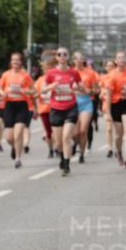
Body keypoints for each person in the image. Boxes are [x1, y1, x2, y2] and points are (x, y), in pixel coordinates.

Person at [44, 48, 84, 176]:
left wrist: (77, 89)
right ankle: (62, 157)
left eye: (64, 54)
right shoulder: (51, 73)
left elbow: (82, 89)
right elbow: (43, 90)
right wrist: (52, 86)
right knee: (58, 142)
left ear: (68, 57)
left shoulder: (74, 73)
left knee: (66, 137)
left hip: (70, 108)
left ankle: (66, 164)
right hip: (56, 109)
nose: (62, 56)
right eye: (59, 54)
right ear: (56, 57)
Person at [0, 52, 34, 169]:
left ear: (21, 62)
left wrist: (25, 91)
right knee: (9, 137)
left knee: (18, 132)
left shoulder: (25, 75)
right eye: (14, 60)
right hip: (9, 105)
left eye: (18, 60)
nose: (16, 62)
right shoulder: (6, 75)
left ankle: (18, 158)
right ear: (11, 62)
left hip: (22, 105)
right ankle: (15, 147)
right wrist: (4, 92)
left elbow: (33, 90)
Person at [106, 51, 126, 169]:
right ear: (116, 61)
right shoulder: (112, 75)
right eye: (119, 58)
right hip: (116, 104)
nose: (121, 59)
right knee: (119, 135)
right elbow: (108, 95)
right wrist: (108, 113)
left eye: (123, 57)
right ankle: (119, 152)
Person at [72, 51, 99, 163]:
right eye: (76, 58)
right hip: (73, 103)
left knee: (83, 130)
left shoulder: (90, 73)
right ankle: (76, 143)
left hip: (86, 103)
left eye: (81, 58)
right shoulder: (70, 72)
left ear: (83, 60)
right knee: (74, 133)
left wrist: (90, 91)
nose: (79, 60)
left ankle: (82, 154)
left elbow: (97, 90)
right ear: (73, 60)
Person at [34, 58, 55, 158]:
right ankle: (50, 149)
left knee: (56, 130)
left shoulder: (56, 79)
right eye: (45, 68)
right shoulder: (40, 80)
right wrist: (36, 108)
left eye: (49, 68)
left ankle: (58, 147)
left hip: (55, 108)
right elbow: (35, 94)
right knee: (48, 132)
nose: (47, 70)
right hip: (43, 109)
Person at [100, 59, 115, 157]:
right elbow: (101, 92)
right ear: (105, 68)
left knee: (118, 129)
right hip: (106, 105)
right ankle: (110, 148)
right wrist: (103, 93)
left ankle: (118, 147)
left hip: (117, 104)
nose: (110, 68)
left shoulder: (117, 77)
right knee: (109, 128)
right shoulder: (103, 78)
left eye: (112, 66)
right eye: (108, 66)